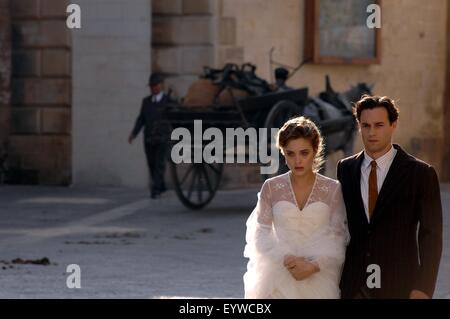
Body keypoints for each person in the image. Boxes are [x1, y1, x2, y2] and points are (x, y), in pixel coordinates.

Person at [337, 95, 443, 299]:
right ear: (359, 126)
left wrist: (423, 288)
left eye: (379, 125)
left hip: (400, 283)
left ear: (393, 125)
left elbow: (431, 236)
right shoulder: (346, 169)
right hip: (354, 285)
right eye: (365, 125)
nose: (372, 132)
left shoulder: (420, 173)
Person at [243, 116, 350, 298]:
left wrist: (314, 265)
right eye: (290, 153)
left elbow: (339, 236)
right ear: (283, 153)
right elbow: (260, 232)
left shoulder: (333, 189)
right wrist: (286, 259)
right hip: (278, 271)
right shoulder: (271, 187)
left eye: (304, 153)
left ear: (315, 151)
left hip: (319, 274)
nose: (297, 160)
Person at [128, 73, 171, 199]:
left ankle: (156, 189)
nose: (153, 88)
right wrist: (133, 133)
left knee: (159, 164)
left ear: (161, 86)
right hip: (149, 138)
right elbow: (141, 119)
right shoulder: (146, 101)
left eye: (156, 85)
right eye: (152, 86)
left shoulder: (168, 101)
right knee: (151, 164)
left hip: (163, 138)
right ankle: (161, 185)